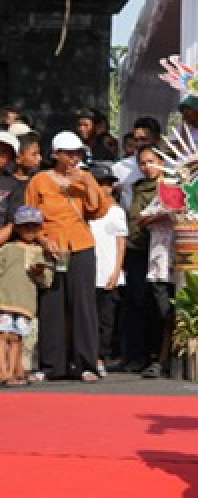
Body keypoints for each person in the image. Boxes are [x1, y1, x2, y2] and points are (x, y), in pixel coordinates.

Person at [27, 131, 105, 381]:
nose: (74, 158)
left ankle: (87, 364)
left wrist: (88, 182)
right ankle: (52, 365)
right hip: (52, 247)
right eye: (69, 153)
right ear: (56, 154)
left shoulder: (85, 177)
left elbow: (97, 210)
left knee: (83, 305)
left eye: (77, 153)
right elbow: (29, 216)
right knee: (52, 304)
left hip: (80, 245)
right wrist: (43, 240)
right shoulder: (40, 180)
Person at [129, 146, 175, 379]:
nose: (148, 167)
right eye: (143, 163)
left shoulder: (175, 187)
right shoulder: (143, 190)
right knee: (159, 311)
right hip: (157, 259)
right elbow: (140, 218)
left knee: (171, 312)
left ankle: (167, 359)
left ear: (163, 162)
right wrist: (161, 215)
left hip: (182, 259)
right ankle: (158, 358)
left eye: (152, 161)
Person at [0, 206, 53, 386]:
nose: (29, 230)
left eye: (34, 226)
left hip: (25, 303)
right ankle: (4, 373)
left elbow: (47, 281)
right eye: (25, 226)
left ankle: (13, 372)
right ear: (17, 227)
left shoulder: (41, 252)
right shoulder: (7, 249)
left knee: (17, 338)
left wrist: (40, 272)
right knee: (3, 336)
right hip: (5, 300)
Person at [87, 163, 126, 376]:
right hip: (87, 272)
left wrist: (117, 271)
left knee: (106, 320)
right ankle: (86, 357)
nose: (105, 188)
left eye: (108, 184)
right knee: (86, 318)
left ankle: (101, 357)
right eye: (100, 183)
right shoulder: (84, 210)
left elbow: (121, 242)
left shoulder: (116, 212)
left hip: (108, 272)